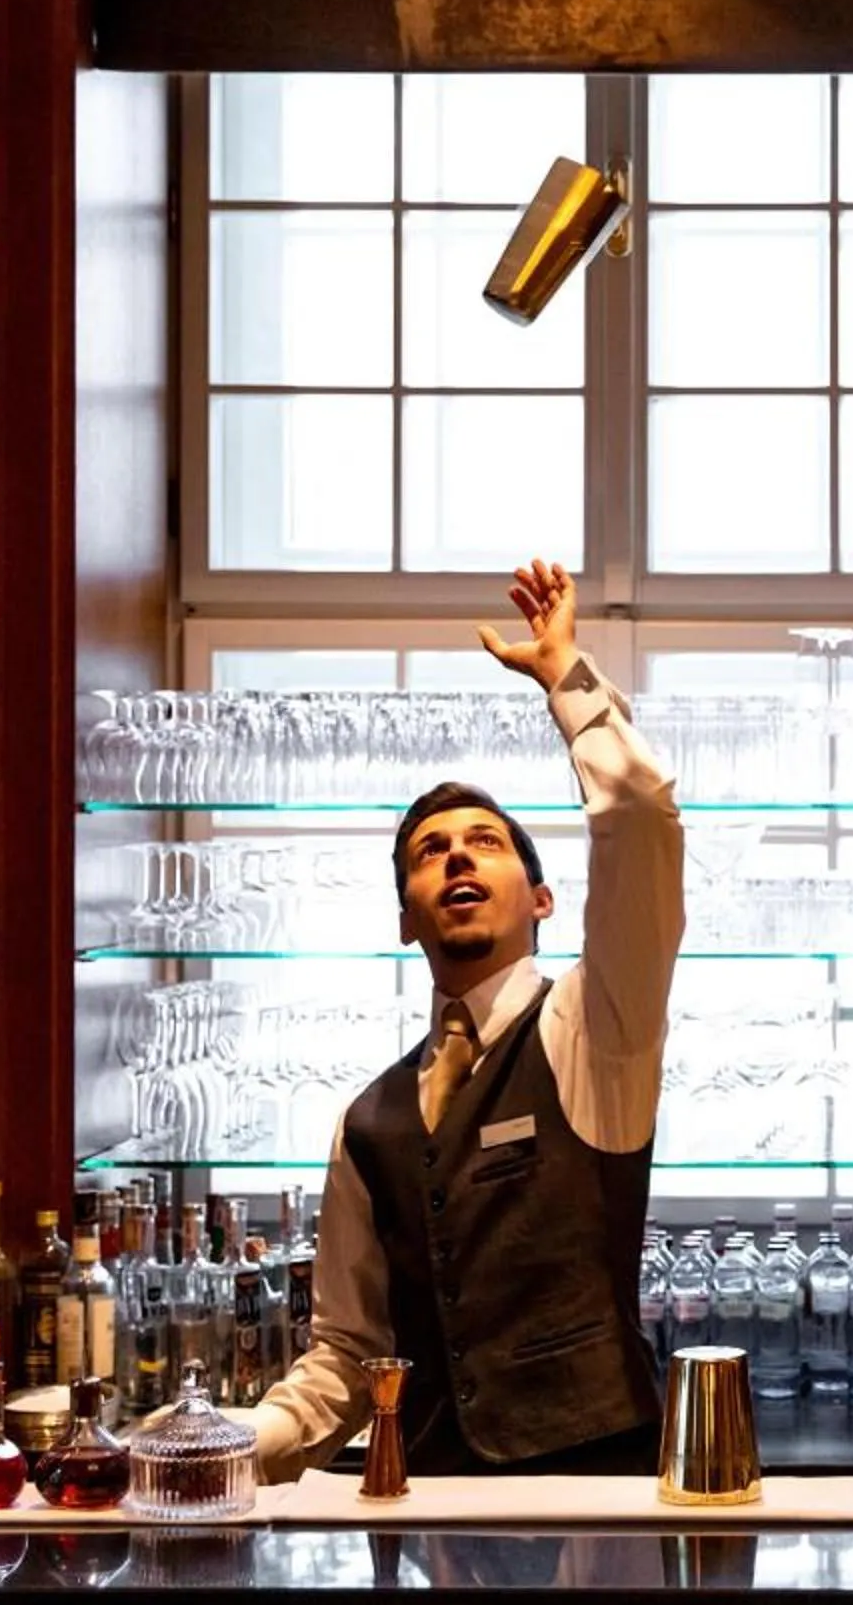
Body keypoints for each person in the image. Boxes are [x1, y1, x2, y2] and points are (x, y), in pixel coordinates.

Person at [242, 559, 685, 1478]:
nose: (456, 860)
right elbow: (346, 1358)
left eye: (484, 844)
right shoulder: (368, 1121)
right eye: (429, 853)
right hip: (426, 1504)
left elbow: (640, 815)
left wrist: (567, 679)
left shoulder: (597, 1029)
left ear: (543, 901)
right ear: (406, 915)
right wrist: (236, 1444)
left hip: (594, 1501)